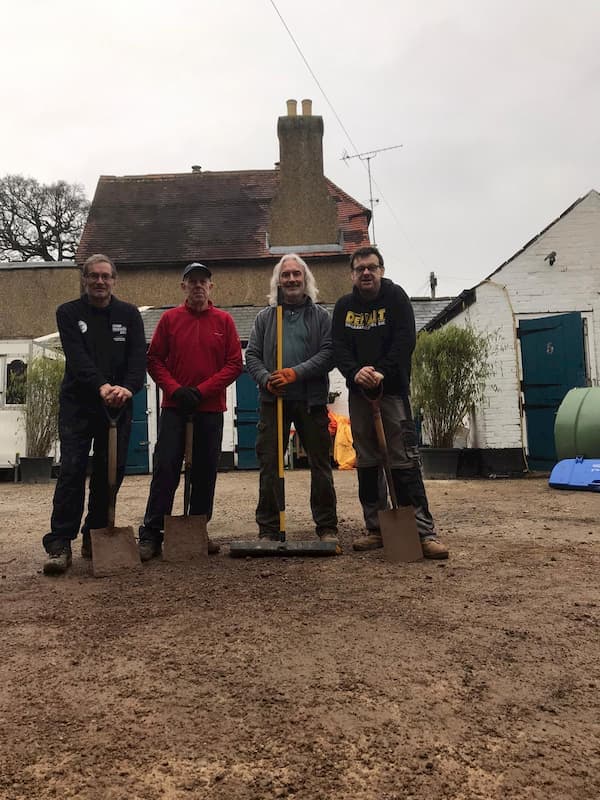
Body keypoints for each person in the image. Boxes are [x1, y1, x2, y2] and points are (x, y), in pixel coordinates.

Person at [332, 245, 449, 558]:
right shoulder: (344, 306)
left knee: (403, 460)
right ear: (353, 275)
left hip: (392, 392)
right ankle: (376, 528)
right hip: (359, 395)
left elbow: (404, 340)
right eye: (360, 269)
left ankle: (423, 532)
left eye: (372, 267)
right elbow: (339, 347)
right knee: (367, 461)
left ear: (381, 270)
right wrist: (356, 372)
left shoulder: (396, 298)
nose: (366, 273)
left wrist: (381, 371)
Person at [42, 254, 147, 575]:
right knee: (73, 470)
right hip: (79, 404)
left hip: (118, 405)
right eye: (93, 276)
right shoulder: (69, 313)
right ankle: (60, 542)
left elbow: (137, 359)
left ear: (114, 280)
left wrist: (128, 389)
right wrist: (102, 386)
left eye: (106, 276)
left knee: (110, 472)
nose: (100, 282)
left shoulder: (129, 314)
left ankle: (95, 533)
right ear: (84, 279)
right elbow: (77, 358)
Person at [138, 262, 243, 560]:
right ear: (183, 286)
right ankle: (151, 533)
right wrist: (175, 389)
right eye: (192, 281)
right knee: (166, 468)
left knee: (205, 470)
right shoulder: (170, 320)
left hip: (209, 409)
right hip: (174, 409)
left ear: (211, 287)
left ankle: (197, 528)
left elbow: (234, 364)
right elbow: (154, 359)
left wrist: (202, 391)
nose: (198, 286)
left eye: (203, 281)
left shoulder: (224, 321)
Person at [246, 254, 338, 542]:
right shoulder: (266, 318)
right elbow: (252, 355)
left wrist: (295, 373)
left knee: (320, 464)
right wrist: (267, 380)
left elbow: (328, 354)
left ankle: (326, 526)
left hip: (311, 401)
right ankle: (269, 529)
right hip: (275, 402)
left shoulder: (321, 317)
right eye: (285, 275)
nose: (291, 279)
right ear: (278, 281)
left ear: (305, 279)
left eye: (296, 274)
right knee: (271, 464)